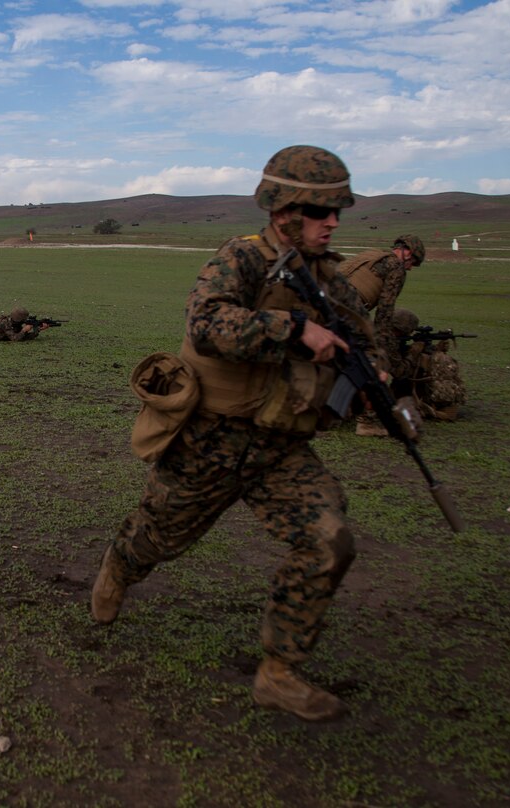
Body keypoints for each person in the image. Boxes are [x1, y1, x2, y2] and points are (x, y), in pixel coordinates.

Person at [90, 145, 385, 722]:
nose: (332, 224)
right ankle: (120, 566)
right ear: (283, 213)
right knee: (159, 536)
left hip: (281, 447)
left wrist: (378, 382)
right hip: (209, 442)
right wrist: (294, 328)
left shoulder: (330, 279)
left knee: (330, 540)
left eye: (337, 214)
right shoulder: (241, 260)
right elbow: (206, 326)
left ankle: (279, 672)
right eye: (321, 213)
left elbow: (367, 345)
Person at [337, 234, 425, 436]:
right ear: (407, 253)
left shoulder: (372, 255)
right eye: (413, 262)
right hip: (348, 311)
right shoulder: (396, 267)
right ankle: (367, 422)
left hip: (325, 305)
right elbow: (385, 312)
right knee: (372, 362)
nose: (410, 268)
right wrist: (381, 345)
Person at [388, 309, 468, 421]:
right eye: (402, 331)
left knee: (436, 359)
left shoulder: (393, 342)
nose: (407, 334)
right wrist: (413, 353)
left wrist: (435, 349)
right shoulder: (386, 344)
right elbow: (399, 372)